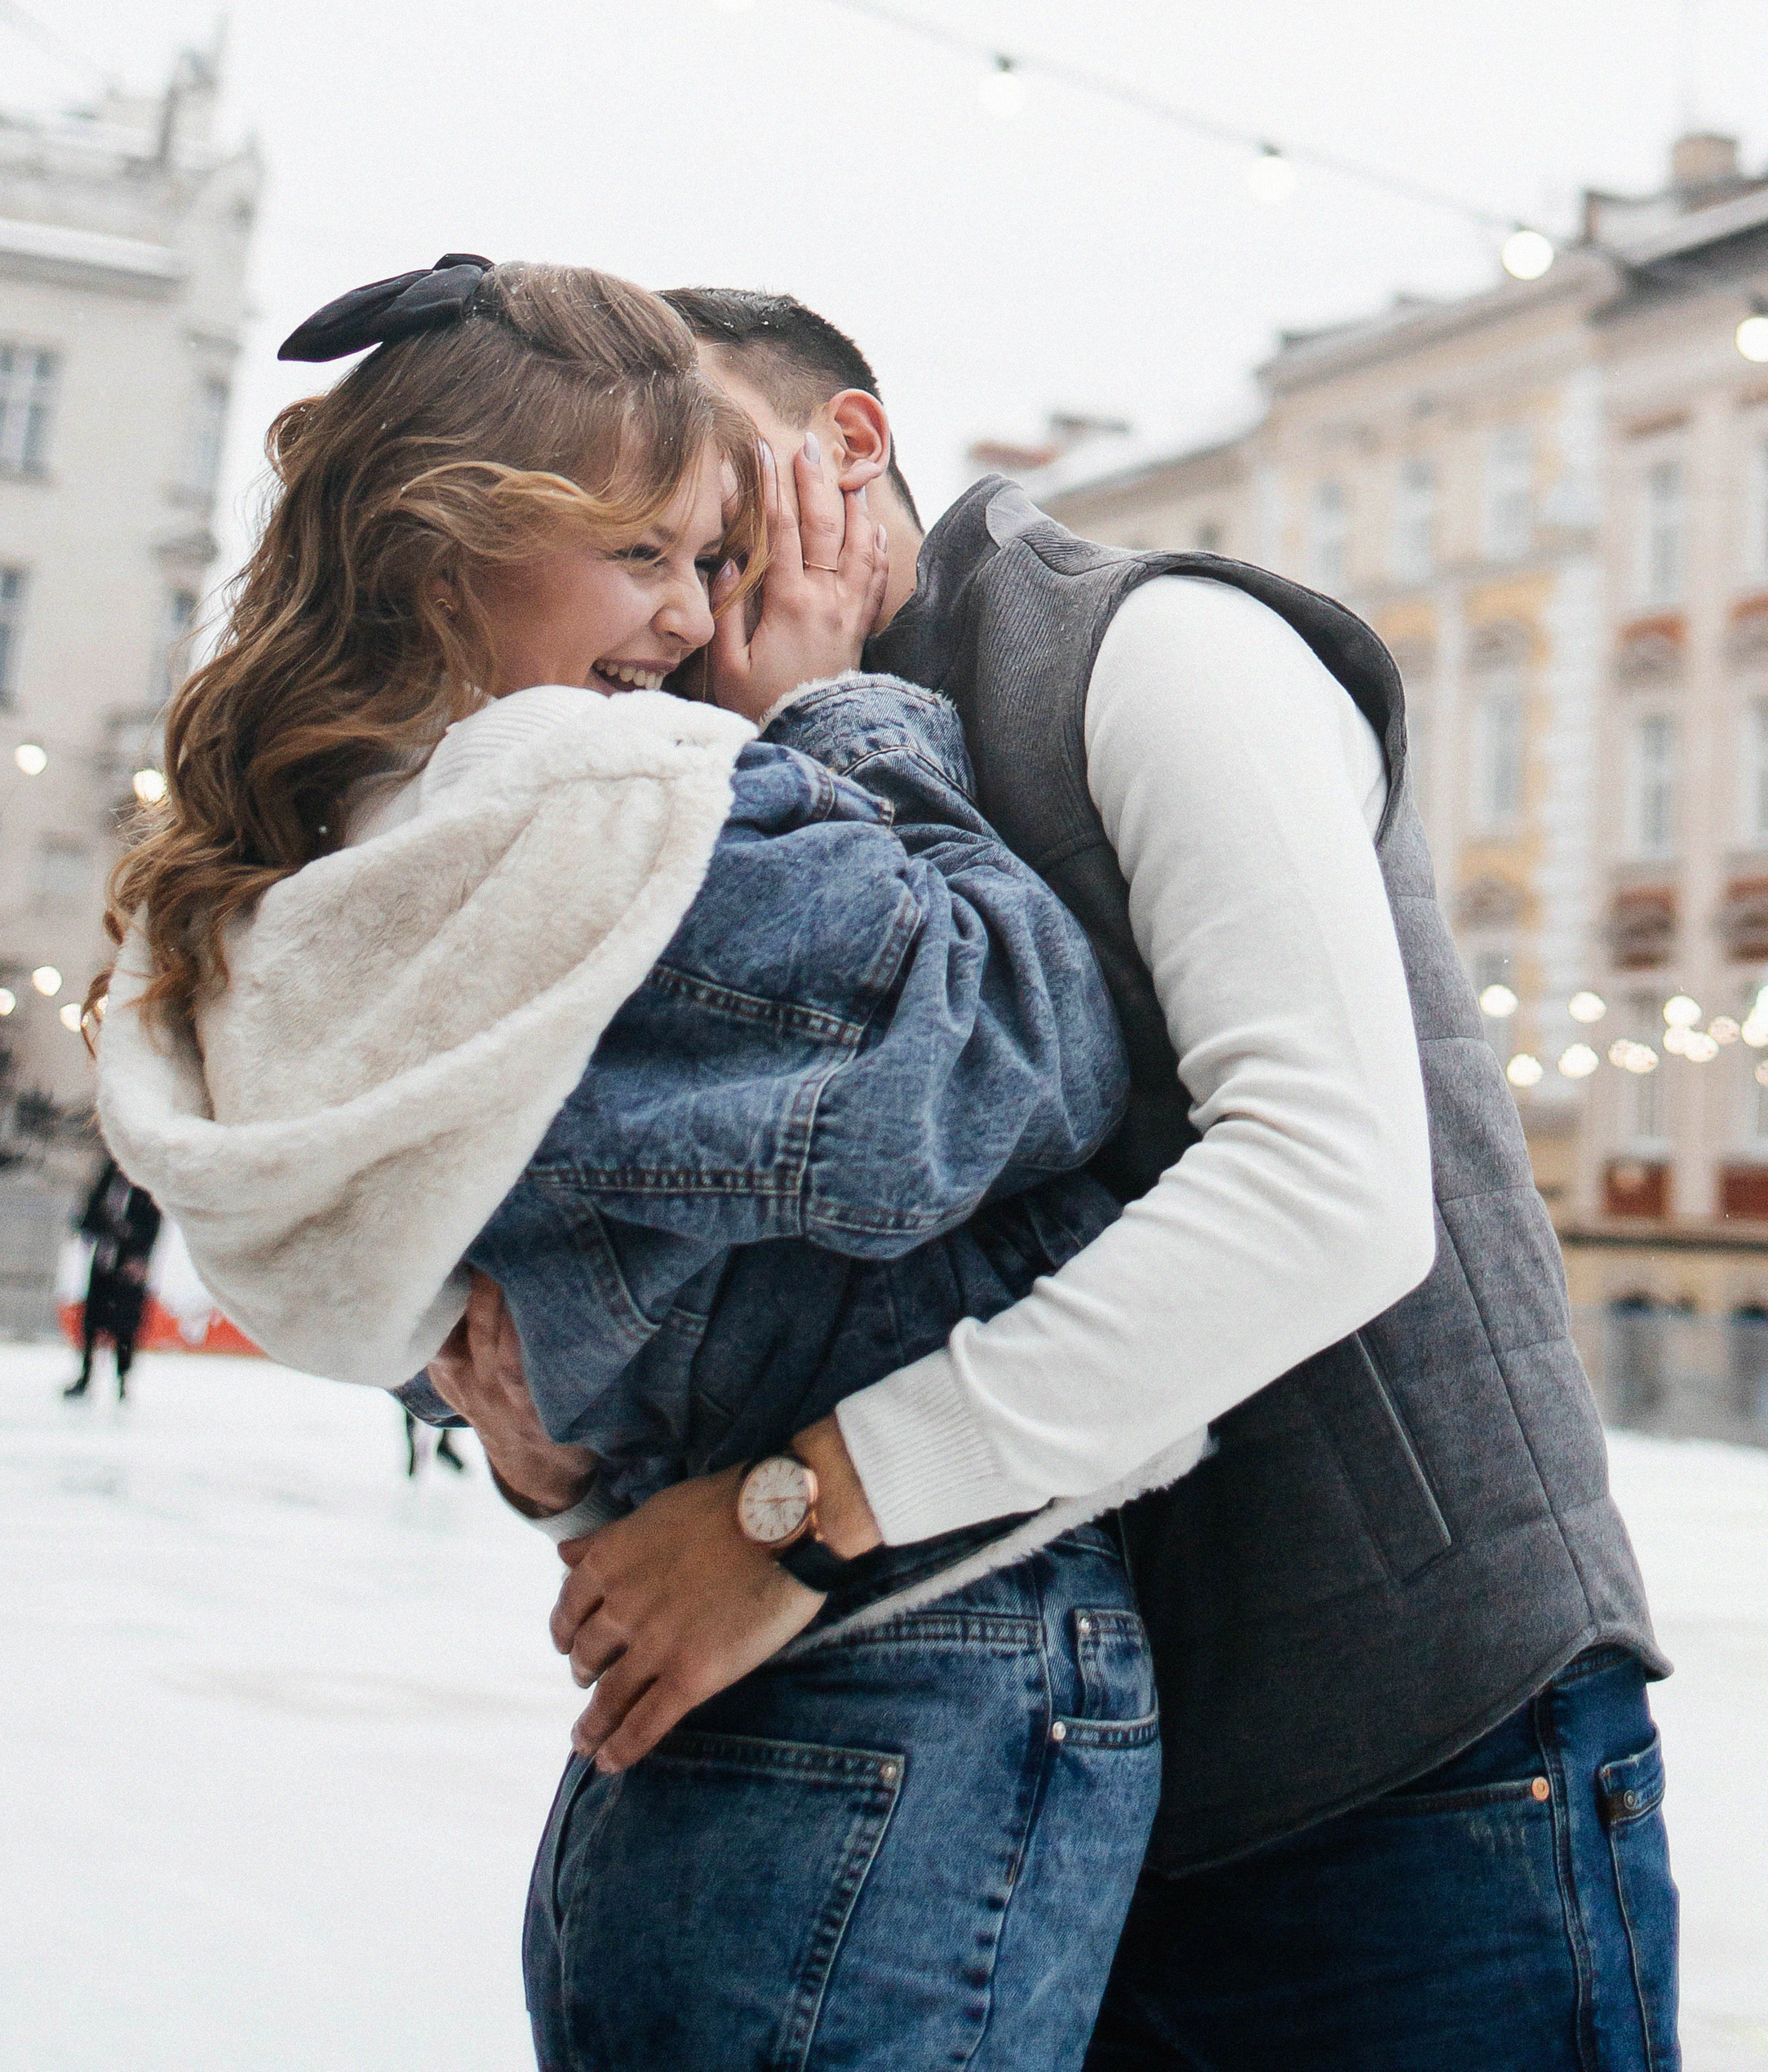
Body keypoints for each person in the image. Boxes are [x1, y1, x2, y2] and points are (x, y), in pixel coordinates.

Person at [466, 286, 1678, 2072]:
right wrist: (547, 1428)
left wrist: (782, 1520)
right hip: (1038, 1779)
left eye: (709, 514)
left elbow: (1327, 1189)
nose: (676, 590)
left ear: (849, 449)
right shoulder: (727, 784)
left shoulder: (1149, 647)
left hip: (1412, 1761)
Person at [91, 258, 1164, 2072]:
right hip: (912, 1660)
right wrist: (832, 714)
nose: (694, 623)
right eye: (649, 555)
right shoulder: (614, 823)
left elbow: (545, 1308)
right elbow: (1025, 1052)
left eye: (712, 564)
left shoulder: (354, 868)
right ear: (451, 551)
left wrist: (552, 1454)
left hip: (712, 1693)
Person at [62, 1155, 161, 1401]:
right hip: (104, 1260)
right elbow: (88, 1215)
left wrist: (141, 1256)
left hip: (129, 1265)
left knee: (125, 1326)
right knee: (92, 1320)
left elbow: (152, 1224)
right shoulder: (108, 1178)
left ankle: (122, 1382)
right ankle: (85, 1376)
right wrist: (103, 1228)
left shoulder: (146, 1186)